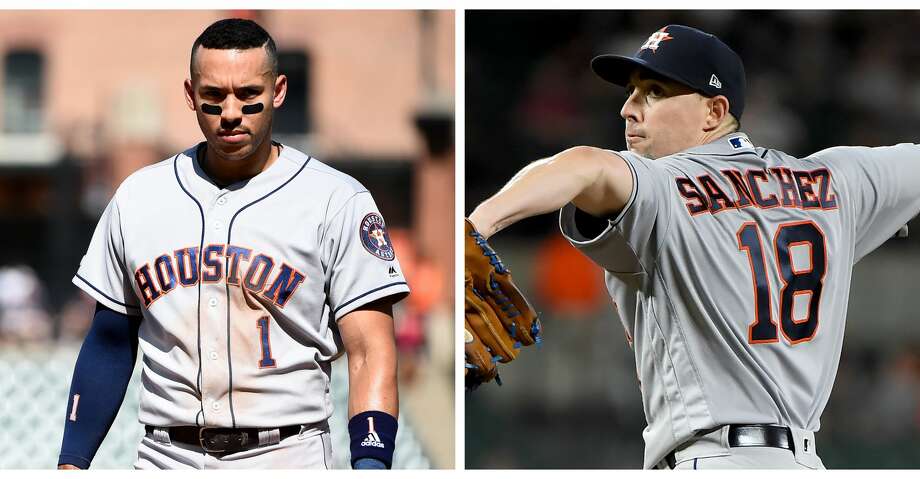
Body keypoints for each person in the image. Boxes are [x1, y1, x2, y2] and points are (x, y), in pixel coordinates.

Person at [466, 24, 920, 469]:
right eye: (631, 91)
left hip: (711, 459)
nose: (629, 108)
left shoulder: (665, 184)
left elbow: (584, 165)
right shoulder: (836, 179)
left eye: (655, 92)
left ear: (713, 111)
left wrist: (476, 225)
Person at [58, 18, 409, 470]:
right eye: (213, 97)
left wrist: (372, 462)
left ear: (278, 90)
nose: (230, 112)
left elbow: (369, 349)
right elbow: (109, 340)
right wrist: (72, 461)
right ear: (190, 94)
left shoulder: (336, 200)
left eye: (248, 95)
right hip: (167, 456)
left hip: (288, 452)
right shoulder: (139, 197)